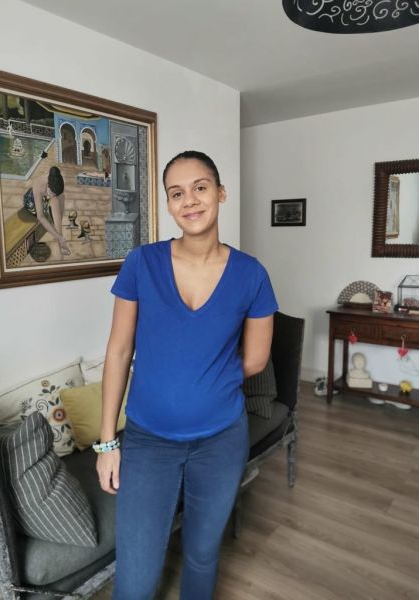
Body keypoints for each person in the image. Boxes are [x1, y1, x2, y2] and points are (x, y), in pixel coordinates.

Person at [96, 150, 278, 599]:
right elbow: (118, 351)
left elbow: (256, 360)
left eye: (200, 188)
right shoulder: (142, 263)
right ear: (168, 204)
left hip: (221, 441)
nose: (190, 201)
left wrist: (203, 375)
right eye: (177, 193)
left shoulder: (252, 274)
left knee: (201, 554)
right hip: (147, 441)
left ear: (220, 193)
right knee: (136, 574)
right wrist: (107, 442)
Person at [23, 166, 70, 256]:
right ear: (48, 185)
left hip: (45, 197)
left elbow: (61, 203)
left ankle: (60, 236)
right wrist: (58, 236)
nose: (54, 195)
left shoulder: (58, 180)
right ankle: (60, 240)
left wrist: (58, 217)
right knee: (55, 201)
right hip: (32, 202)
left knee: (60, 197)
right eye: (52, 192)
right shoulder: (39, 183)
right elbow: (40, 216)